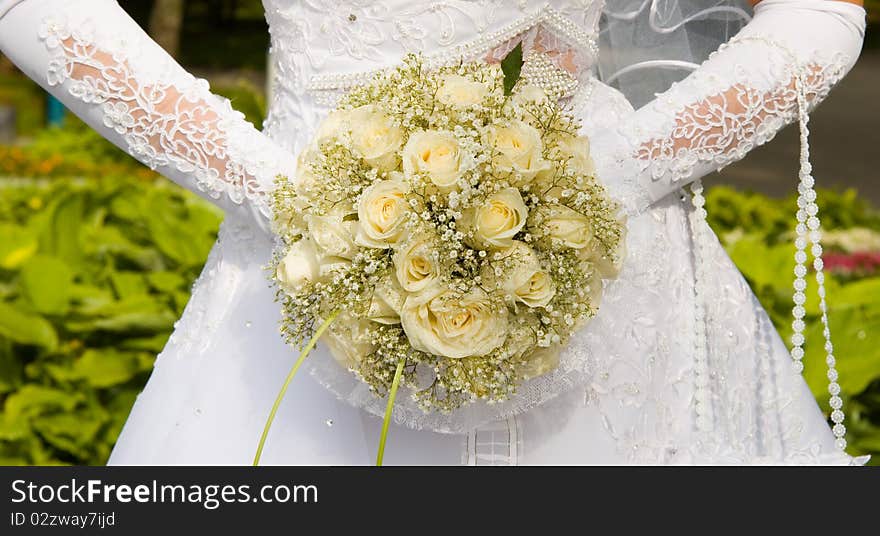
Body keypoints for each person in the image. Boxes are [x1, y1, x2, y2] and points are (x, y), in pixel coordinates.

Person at [0, 0, 868, 465]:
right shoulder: (304, 211)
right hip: (309, 272)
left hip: (602, 271)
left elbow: (822, 9)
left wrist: (616, 176)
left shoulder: (601, 194)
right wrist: (287, 197)